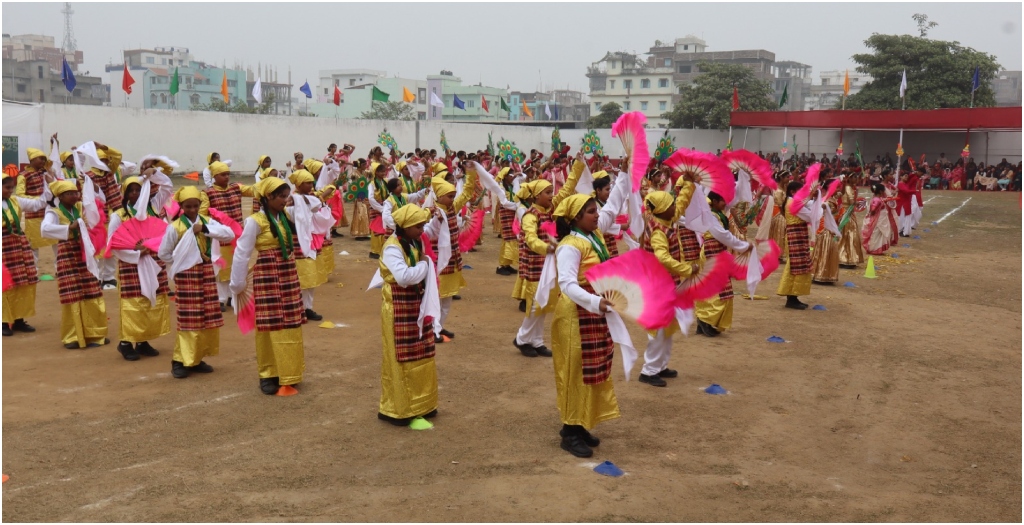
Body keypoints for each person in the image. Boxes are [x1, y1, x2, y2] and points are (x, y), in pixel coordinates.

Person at [550, 193, 618, 458]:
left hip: (592, 310)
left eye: (595, 210)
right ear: (576, 217)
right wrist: (595, 301)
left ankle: (580, 423)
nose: (597, 215)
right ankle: (569, 430)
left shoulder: (593, 238)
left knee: (592, 367)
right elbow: (567, 285)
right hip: (575, 315)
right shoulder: (570, 245)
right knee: (574, 369)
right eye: (591, 211)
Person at [230, 176, 306, 396]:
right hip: (267, 276)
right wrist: (237, 283)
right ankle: (268, 373)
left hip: (287, 274)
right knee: (268, 324)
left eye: (286, 195)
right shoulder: (255, 221)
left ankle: (290, 373)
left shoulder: (285, 216)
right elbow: (242, 253)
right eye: (281, 196)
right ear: (268, 196)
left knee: (290, 321)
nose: (286, 200)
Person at [159, 186, 235, 378]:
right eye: (188, 206)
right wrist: (183, 261)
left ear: (200, 205)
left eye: (195, 206)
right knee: (189, 319)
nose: (192, 210)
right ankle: (179, 360)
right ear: (182, 207)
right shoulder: (174, 227)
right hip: (186, 277)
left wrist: (206, 229)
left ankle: (197, 357)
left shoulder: (207, 222)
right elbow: (164, 253)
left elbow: (229, 234)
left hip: (206, 273)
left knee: (206, 317)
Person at [512, 154, 583, 356]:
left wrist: (577, 165)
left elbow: (567, 189)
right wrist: (547, 247)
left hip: (548, 265)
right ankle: (521, 338)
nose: (552, 195)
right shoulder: (530, 215)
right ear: (535, 197)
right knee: (535, 304)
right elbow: (530, 239)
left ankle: (535, 340)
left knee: (544, 302)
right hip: (535, 266)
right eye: (547, 192)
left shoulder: (551, 209)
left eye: (551, 192)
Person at [377, 204, 441, 426]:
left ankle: (423, 403)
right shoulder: (392, 247)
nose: (422, 230)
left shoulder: (414, 241)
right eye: (418, 226)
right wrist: (426, 264)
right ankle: (399, 408)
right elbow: (404, 277)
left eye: (422, 225)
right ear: (404, 226)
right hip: (398, 305)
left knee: (421, 351)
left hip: (414, 302)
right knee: (401, 355)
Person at [107, 169, 174, 361]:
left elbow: (168, 186)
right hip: (131, 264)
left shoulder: (153, 206)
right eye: (131, 191)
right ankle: (126, 342)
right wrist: (136, 252)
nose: (135, 194)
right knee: (133, 302)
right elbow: (114, 244)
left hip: (154, 261)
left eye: (139, 189)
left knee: (152, 299)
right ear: (125, 194)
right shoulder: (119, 216)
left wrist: (153, 174)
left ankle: (143, 340)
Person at [637, 175, 697, 386]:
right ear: (661, 209)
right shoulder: (657, 231)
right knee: (658, 329)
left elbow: (680, 204)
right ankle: (649, 370)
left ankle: (660, 365)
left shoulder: (666, 218)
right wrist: (687, 269)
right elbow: (662, 258)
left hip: (666, 284)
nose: (675, 207)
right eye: (670, 204)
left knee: (667, 326)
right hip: (656, 286)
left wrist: (688, 183)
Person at [41, 180, 109, 349]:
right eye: (69, 194)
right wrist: (68, 228)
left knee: (91, 290)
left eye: (75, 193)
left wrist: (89, 184)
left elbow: (98, 205)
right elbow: (45, 229)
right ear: (60, 197)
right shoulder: (54, 212)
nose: (74, 196)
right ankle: (73, 336)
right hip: (68, 252)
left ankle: (95, 333)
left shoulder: (81, 207)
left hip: (84, 251)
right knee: (71, 293)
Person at [424, 165, 477, 344]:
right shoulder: (433, 213)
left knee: (447, 298)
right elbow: (426, 234)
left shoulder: (451, 207)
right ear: (439, 197)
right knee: (437, 297)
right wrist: (436, 222)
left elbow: (467, 192)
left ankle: (439, 325)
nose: (453, 199)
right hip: (440, 261)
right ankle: (432, 328)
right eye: (449, 196)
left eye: (453, 196)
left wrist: (471, 173)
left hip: (452, 259)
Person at [695, 191, 751, 337]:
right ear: (713, 201)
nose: (725, 204)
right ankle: (704, 320)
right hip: (712, 252)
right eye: (722, 201)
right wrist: (743, 246)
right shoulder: (712, 216)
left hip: (716, 251)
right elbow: (722, 235)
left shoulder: (716, 213)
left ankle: (704, 320)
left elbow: (736, 196)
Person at [3, 169, 50, 336]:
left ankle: (18, 319)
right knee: (4, 283)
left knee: (22, 281)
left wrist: (48, 184)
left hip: (17, 246)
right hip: (2, 247)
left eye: (11, 188)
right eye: (7, 187)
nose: (10, 191)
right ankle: (3, 320)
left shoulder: (16, 201)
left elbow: (39, 203)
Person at [203, 161, 254, 311]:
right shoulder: (207, 193)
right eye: (223, 175)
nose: (227, 177)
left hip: (238, 236)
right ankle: (220, 298)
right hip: (220, 238)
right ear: (215, 176)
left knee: (237, 266)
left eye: (228, 174)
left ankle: (233, 296)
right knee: (221, 268)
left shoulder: (236, 188)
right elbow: (202, 214)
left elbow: (254, 191)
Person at [15, 148, 58, 274]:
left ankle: (59, 269)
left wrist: (53, 145)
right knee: (33, 244)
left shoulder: (46, 173)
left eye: (44, 159)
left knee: (56, 241)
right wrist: (39, 200)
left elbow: (53, 160)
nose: (43, 161)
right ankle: (34, 271)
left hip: (50, 212)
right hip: (33, 214)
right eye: (41, 158)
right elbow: (20, 195)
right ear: (32, 160)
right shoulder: (23, 176)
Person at [89, 143, 125, 289]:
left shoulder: (110, 172)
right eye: (101, 160)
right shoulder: (87, 176)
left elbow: (118, 156)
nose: (104, 163)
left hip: (115, 213)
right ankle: (96, 277)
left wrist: (103, 146)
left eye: (105, 160)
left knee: (113, 245)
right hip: (97, 217)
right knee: (96, 248)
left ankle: (109, 277)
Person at [776, 180, 815, 309]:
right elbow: (810, 217)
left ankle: (792, 297)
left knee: (795, 265)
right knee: (796, 265)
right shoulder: (793, 203)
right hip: (796, 235)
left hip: (795, 235)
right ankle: (791, 298)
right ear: (793, 192)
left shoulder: (790, 201)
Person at [861, 182, 898, 255]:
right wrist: (873, 214)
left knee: (878, 234)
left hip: (880, 219)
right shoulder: (877, 200)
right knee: (876, 234)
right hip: (878, 220)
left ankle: (877, 248)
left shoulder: (877, 198)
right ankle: (874, 249)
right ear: (881, 191)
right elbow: (873, 209)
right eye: (884, 191)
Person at [769, 171, 792, 263]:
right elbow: (780, 205)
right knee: (780, 234)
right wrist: (785, 215)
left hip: (782, 212)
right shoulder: (778, 190)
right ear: (781, 178)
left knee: (781, 234)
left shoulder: (784, 187)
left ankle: (779, 254)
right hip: (779, 213)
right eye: (787, 177)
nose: (788, 178)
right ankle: (778, 255)